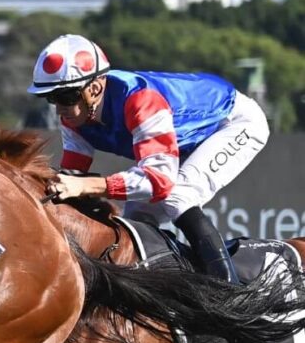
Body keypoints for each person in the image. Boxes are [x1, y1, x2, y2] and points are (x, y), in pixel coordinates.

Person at [30, 33, 269, 282]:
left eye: (65, 97)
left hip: (232, 122)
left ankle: (229, 290)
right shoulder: (73, 119)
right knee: (136, 220)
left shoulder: (140, 100)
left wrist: (85, 185)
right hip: (182, 142)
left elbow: (158, 181)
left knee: (179, 196)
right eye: (51, 98)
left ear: (95, 88)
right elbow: (73, 176)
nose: (59, 109)